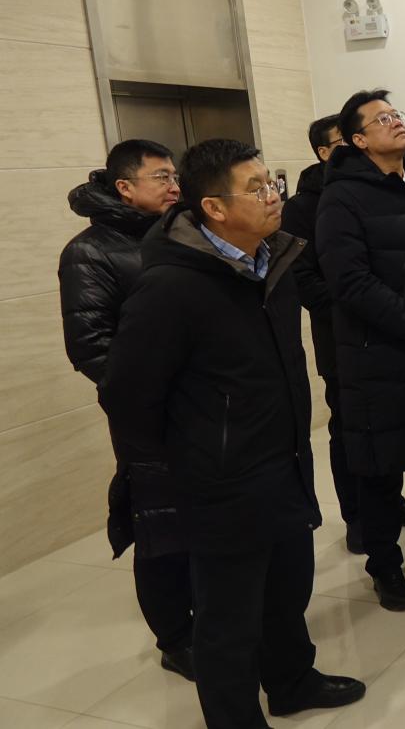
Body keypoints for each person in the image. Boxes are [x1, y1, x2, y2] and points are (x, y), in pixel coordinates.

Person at [100, 138, 365, 728]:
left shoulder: (274, 263)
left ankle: (292, 681)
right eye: (257, 188)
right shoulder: (172, 286)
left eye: (273, 183)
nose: (273, 196)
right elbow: (126, 394)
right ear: (215, 208)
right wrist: (189, 461)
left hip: (284, 458)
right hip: (218, 481)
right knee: (228, 618)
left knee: (287, 589)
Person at [316, 90, 405, 613]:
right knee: (380, 467)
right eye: (382, 118)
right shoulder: (341, 197)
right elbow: (349, 281)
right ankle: (385, 566)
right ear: (358, 140)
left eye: (397, 113)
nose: (396, 121)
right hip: (376, 351)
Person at [57, 139, 194, 681]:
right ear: (124, 187)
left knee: (200, 516)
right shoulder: (89, 252)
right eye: (161, 177)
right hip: (146, 414)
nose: (174, 186)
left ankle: (210, 615)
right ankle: (176, 639)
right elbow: (91, 345)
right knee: (161, 525)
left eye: (175, 176)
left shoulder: (181, 233)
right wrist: (150, 394)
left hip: (202, 407)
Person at [281, 115, 405, 557]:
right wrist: (355, 307)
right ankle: (358, 520)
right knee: (352, 430)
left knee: (394, 426)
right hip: (344, 338)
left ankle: (394, 504)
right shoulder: (306, 205)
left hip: (393, 328)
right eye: (343, 141)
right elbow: (305, 280)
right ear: (325, 152)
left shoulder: (397, 187)